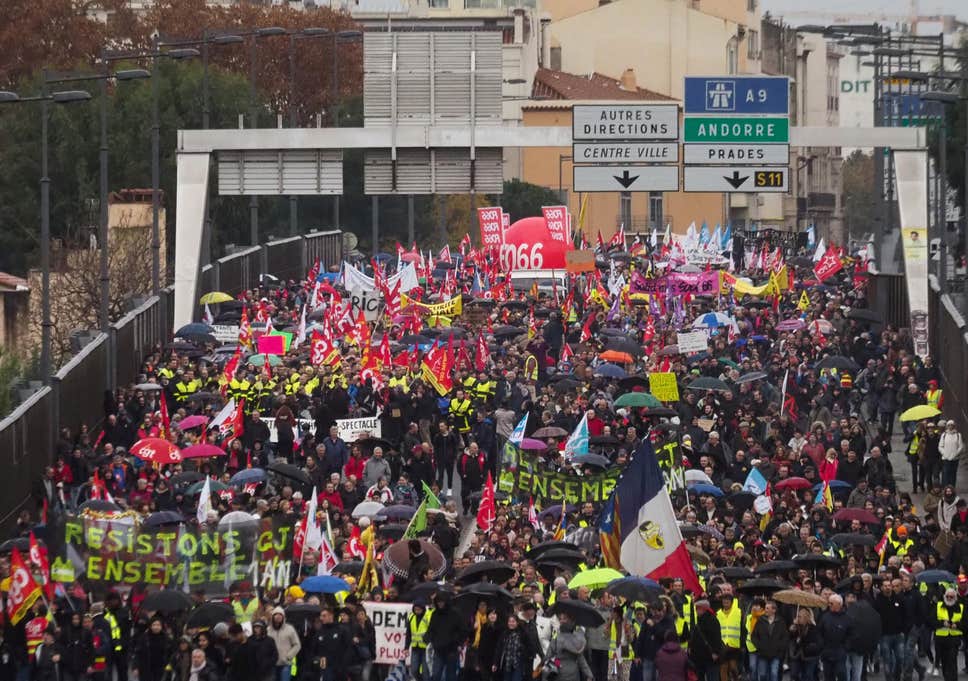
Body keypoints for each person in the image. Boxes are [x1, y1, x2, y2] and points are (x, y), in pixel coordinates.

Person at [426, 592, 466, 681]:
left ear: (446, 602)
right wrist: (430, 639)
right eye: (438, 602)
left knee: (450, 675)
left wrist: (459, 643)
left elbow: (463, 630)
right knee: (436, 674)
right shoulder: (435, 614)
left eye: (442, 602)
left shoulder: (455, 614)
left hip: (452, 650)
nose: (440, 604)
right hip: (438, 650)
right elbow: (431, 629)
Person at [932, 588, 966, 681]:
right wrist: (942, 623)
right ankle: (947, 678)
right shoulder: (939, 606)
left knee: (952, 661)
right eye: (947, 596)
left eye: (951, 596)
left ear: (955, 598)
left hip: (954, 639)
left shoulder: (961, 607)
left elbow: (965, 623)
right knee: (945, 662)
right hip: (941, 639)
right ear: (944, 597)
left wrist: (957, 625)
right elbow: (931, 621)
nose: (949, 598)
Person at [750, 601, 787, 681]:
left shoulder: (781, 622)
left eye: (767, 608)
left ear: (774, 610)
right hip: (763, 654)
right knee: (762, 675)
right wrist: (759, 646)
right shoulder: (760, 620)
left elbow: (785, 638)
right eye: (765, 608)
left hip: (776, 654)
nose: (765, 610)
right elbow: (753, 636)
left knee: (774, 674)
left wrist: (779, 647)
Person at [818, 595, 851, 681]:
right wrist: (822, 646)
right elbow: (819, 632)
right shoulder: (824, 616)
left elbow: (851, 634)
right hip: (827, 651)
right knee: (828, 676)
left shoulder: (846, 618)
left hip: (840, 650)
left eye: (831, 603)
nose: (829, 605)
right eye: (829, 603)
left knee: (841, 673)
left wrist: (846, 647)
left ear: (839, 604)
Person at [688, 600, 722, 681]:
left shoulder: (712, 620)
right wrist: (690, 647)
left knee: (712, 677)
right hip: (699, 657)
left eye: (698, 609)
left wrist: (716, 652)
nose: (696, 611)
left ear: (703, 609)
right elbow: (694, 636)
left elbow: (717, 637)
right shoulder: (698, 620)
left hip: (710, 656)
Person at [492, 615, 532, 681]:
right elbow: (499, 649)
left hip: (518, 664)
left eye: (513, 621)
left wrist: (525, 655)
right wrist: (495, 663)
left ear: (517, 623)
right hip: (507, 664)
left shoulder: (522, 634)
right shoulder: (504, 634)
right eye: (509, 621)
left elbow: (529, 647)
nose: (511, 623)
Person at [267, 607, 301, 681]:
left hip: (285, 663)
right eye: (276, 614)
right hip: (272, 664)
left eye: (280, 614)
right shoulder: (268, 630)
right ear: (272, 616)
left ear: (283, 617)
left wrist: (289, 656)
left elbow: (297, 644)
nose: (278, 616)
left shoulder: (290, 629)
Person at [406, 599, 434, 681]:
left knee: (426, 672)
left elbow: (432, 630)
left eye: (419, 609)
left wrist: (427, 639)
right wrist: (406, 647)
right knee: (414, 670)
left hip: (426, 648)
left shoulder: (428, 616)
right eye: (415, 609)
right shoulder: (411, 617)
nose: (417, 611)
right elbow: (408, 633)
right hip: (415, 648)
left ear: (423, 609)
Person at [938, 421, 963, 488]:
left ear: (954, 426)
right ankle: (946, 489)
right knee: (946, 474)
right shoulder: (944, 435)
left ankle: (952, 488)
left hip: (955, 458)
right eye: (949, 425)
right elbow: (940, 446)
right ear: (947, 426)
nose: (950, 426)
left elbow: (960, 446)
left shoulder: (958, 435)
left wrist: (955, 454)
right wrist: (945, 454)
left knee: (953, 474)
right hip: (946, 458)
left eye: (952, 425)